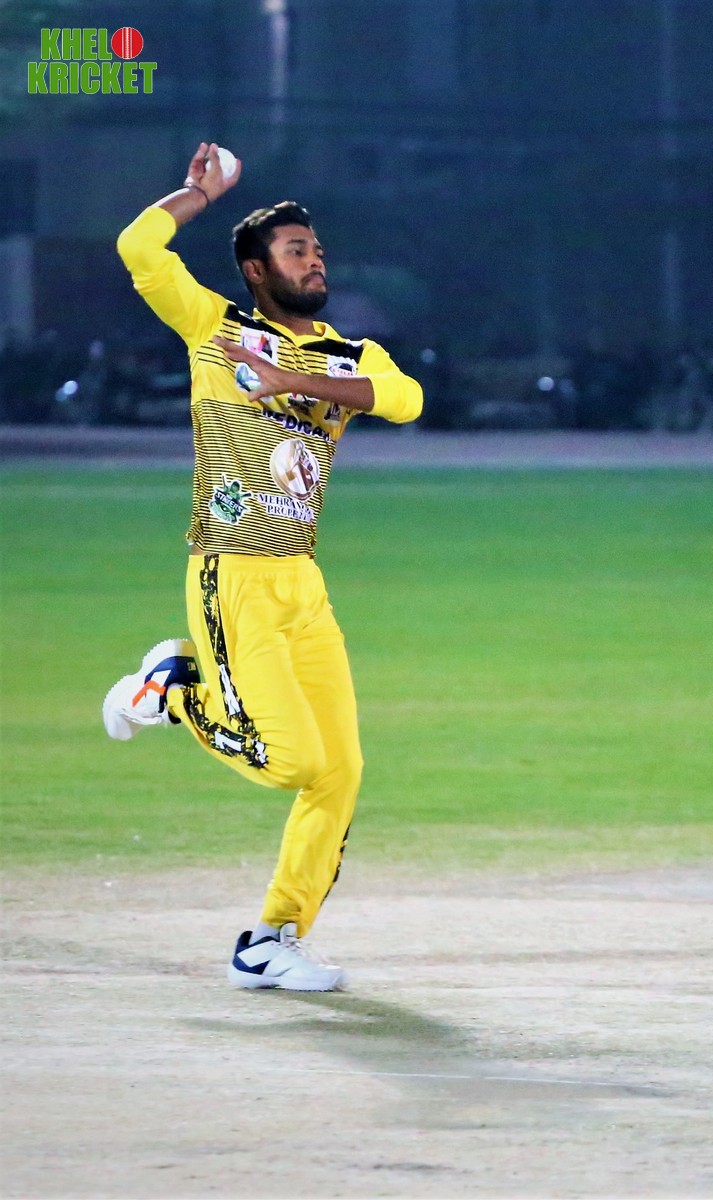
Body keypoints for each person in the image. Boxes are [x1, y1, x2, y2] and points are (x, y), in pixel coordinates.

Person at [102, 143, 423, 991]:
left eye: (316, 250)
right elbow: (138, 248)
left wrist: (289, 379)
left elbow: (405, 398)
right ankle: (172, 690)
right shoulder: (215, 329)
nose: (315, 262)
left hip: (302, 584)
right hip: (232, 572)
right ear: (256, 269)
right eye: (295, 251)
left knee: (340, 772)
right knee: (290, 762)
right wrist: (196, 194)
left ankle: (272, 939)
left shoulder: (350, 354)